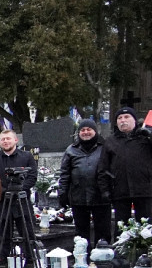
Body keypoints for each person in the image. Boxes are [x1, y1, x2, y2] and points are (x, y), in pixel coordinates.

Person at [60, 118, 112, 249]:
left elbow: (113, 169)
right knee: (81, 233)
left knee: (103, 231)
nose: (86, 132)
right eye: (82, 130)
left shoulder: (105, 147)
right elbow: (65, 173)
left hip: (101, 196)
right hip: (79, 197)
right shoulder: (71, 150)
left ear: (95, 131)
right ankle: (83, 258)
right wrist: (63, 193)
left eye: (89, 129)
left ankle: (102, 258)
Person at [0, 129, 37, 266]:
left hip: (22, 201)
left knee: (27, 232)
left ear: (15, 140)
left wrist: (19, 189)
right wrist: (6, 191)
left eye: (8, 139)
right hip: (2, 202)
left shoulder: (26, 156)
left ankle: (31, 259)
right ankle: (2, 260)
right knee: (3, 233)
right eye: (3, 139)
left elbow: (32, 177)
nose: (5, 141)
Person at [97, 106, 152, 224]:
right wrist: (105, 190)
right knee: (121, 229)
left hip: (144, 190)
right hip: (120, 191)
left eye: (127, 117)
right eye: (119, 118)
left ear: (135, 120)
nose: (123, 120)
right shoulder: (110, 141)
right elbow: (103, 168)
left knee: (147, 228)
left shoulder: (145, 138)